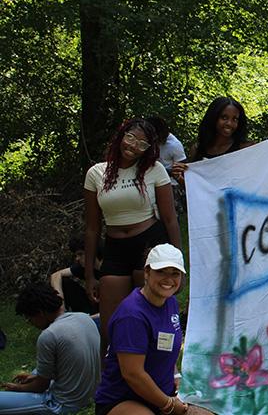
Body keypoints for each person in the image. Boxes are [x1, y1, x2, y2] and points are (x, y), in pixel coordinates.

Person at [84, 118, 181, 353]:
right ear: (121, 135)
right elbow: (92, 227)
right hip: (115, 248)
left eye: (142, 144)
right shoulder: (96, 173)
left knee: (155, 318)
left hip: (148, 243)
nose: (133, 146)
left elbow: (170, 219)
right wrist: (89, 275)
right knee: (110, 328)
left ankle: (163, 375)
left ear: (149, 150)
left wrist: (177, 263)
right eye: (130, 138)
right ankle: (111, 382)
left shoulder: (154, 170)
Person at [94, 244, 188, 415]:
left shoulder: (171, 303)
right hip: (124, 399)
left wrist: (175, 375)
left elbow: (167, 346)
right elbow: (133, 374)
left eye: (175, 273)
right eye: (161, 271)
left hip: (162, 394)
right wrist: (169, 405)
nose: (168, 279)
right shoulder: (132, 316)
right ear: (147, 272)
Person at [0, 283, 100, 414]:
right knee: (38, 371)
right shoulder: (83, 318)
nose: (31, 323)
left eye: (30, 319)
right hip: (91, 395)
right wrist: (36, 377)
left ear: (40, 313)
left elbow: (41, 387)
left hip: (63, 403)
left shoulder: (49, 335)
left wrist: (17, 388)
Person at [171, 97, 254, 182]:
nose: (229, 123)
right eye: (224, 118)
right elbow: (198, 189)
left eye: (235, 119)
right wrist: (180, 178)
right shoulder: (198, 149)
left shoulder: (245, 149)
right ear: (213, 118)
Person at [49, 236, 101, 316]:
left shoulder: (110, 268)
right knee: (64, 282)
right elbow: (56, 275)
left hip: (107, 310)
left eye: (80, 254)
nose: (77, 258)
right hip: (91, 306)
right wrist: (60, 303)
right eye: (76, 255)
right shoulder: (82, 267)